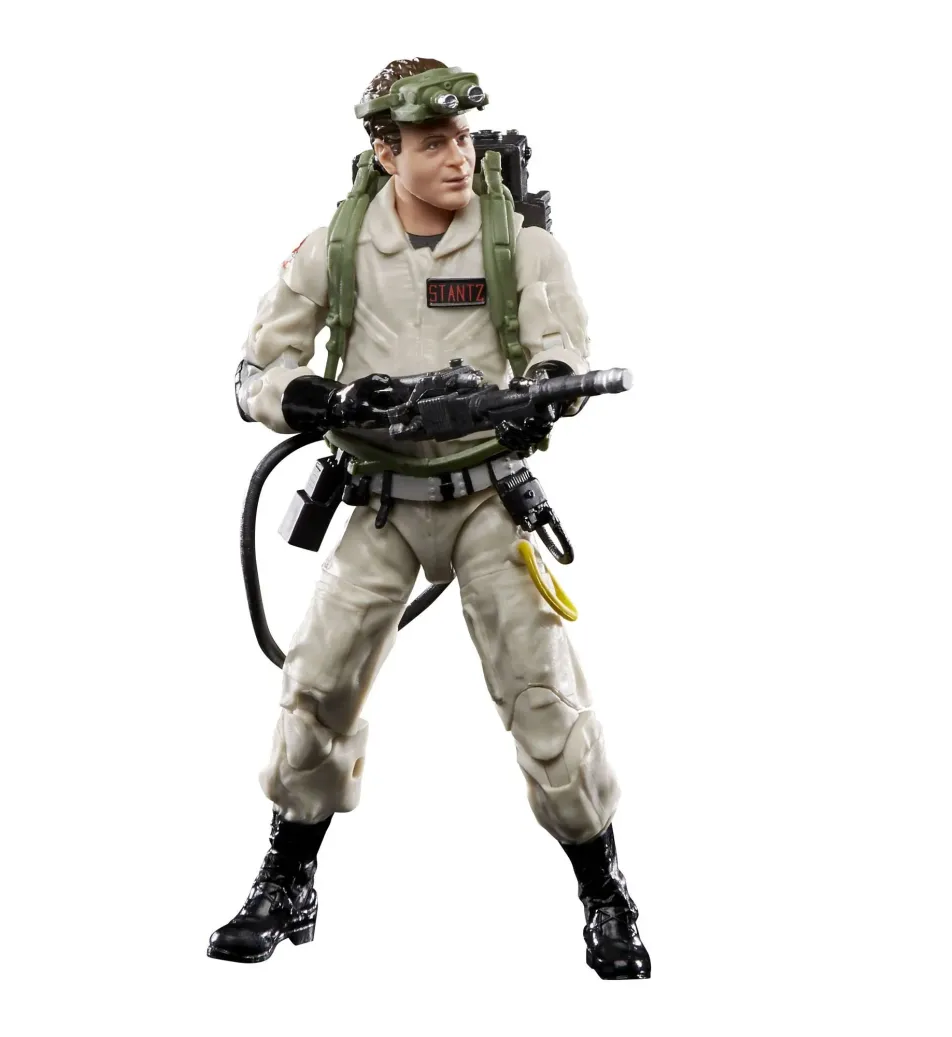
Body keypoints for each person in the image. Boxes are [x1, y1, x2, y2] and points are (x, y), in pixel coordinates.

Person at [208, 58, 650, 980]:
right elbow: (255, 372)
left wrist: (538, 396)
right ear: (386, 152)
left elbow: (563, 352)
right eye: (434, 142)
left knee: (543, 695)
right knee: (317, 685)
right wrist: (323, 402)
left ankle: (603, 888)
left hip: (487, 497)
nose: (457, 156)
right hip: (381, 499)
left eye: (463, 137)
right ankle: (288, 878)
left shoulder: (518, 241)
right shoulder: (336, 245)